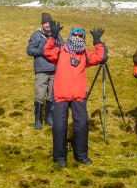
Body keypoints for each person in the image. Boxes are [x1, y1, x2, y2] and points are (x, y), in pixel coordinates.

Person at [44, 21, 108, 167]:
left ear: (83, 38)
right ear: (70, 36)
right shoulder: (60, 50)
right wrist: (53, 36)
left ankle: (81, 155)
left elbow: (101, 57)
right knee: (60, 127)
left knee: (81, 125)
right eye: (75, 34)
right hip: (61, 95)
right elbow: (47, 52)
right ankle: (59, 157)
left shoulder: (84, 54)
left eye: (80, 35)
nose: (77, 37)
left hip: (78, 96)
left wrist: (97, 41)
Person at [27, 12, 64, 130]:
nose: (47, 25)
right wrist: (42, 51)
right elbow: (29, 50)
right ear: (42, 24)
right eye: (45, 23)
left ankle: (49, 118)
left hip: (55, 70)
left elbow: (63, 49)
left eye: (49, 22)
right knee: (40, 95)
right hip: (41, 70)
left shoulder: (57, 36)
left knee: (52, 96)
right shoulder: (36, 36)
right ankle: (37, 120)